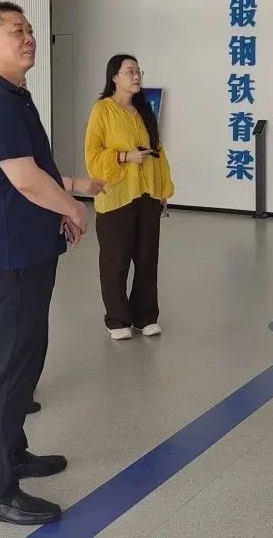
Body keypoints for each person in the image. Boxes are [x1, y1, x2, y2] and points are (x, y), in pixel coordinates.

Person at [0, 1, 103, 525]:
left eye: (30, 30)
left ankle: (14, 454)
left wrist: (67, 193)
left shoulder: (14, 97)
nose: (29, 38)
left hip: (29, 252)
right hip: (9, 258)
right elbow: (23, 179)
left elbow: (32, 170)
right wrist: (74, 208)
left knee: (26, 362)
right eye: (16, 31)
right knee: (8, 374)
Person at [84, 54, 174, 340]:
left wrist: (163, 190)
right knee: (116, 261)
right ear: (114, 78)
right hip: (116, 197)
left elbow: (159, 154)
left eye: (138, 72)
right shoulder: (102, 110)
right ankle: (117, 319)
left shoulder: (144, 110)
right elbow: (92, 155)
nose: (136, 77)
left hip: (147, 195)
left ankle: (145, 316)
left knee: (147, 259)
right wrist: (125, 157)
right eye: (130, 71)